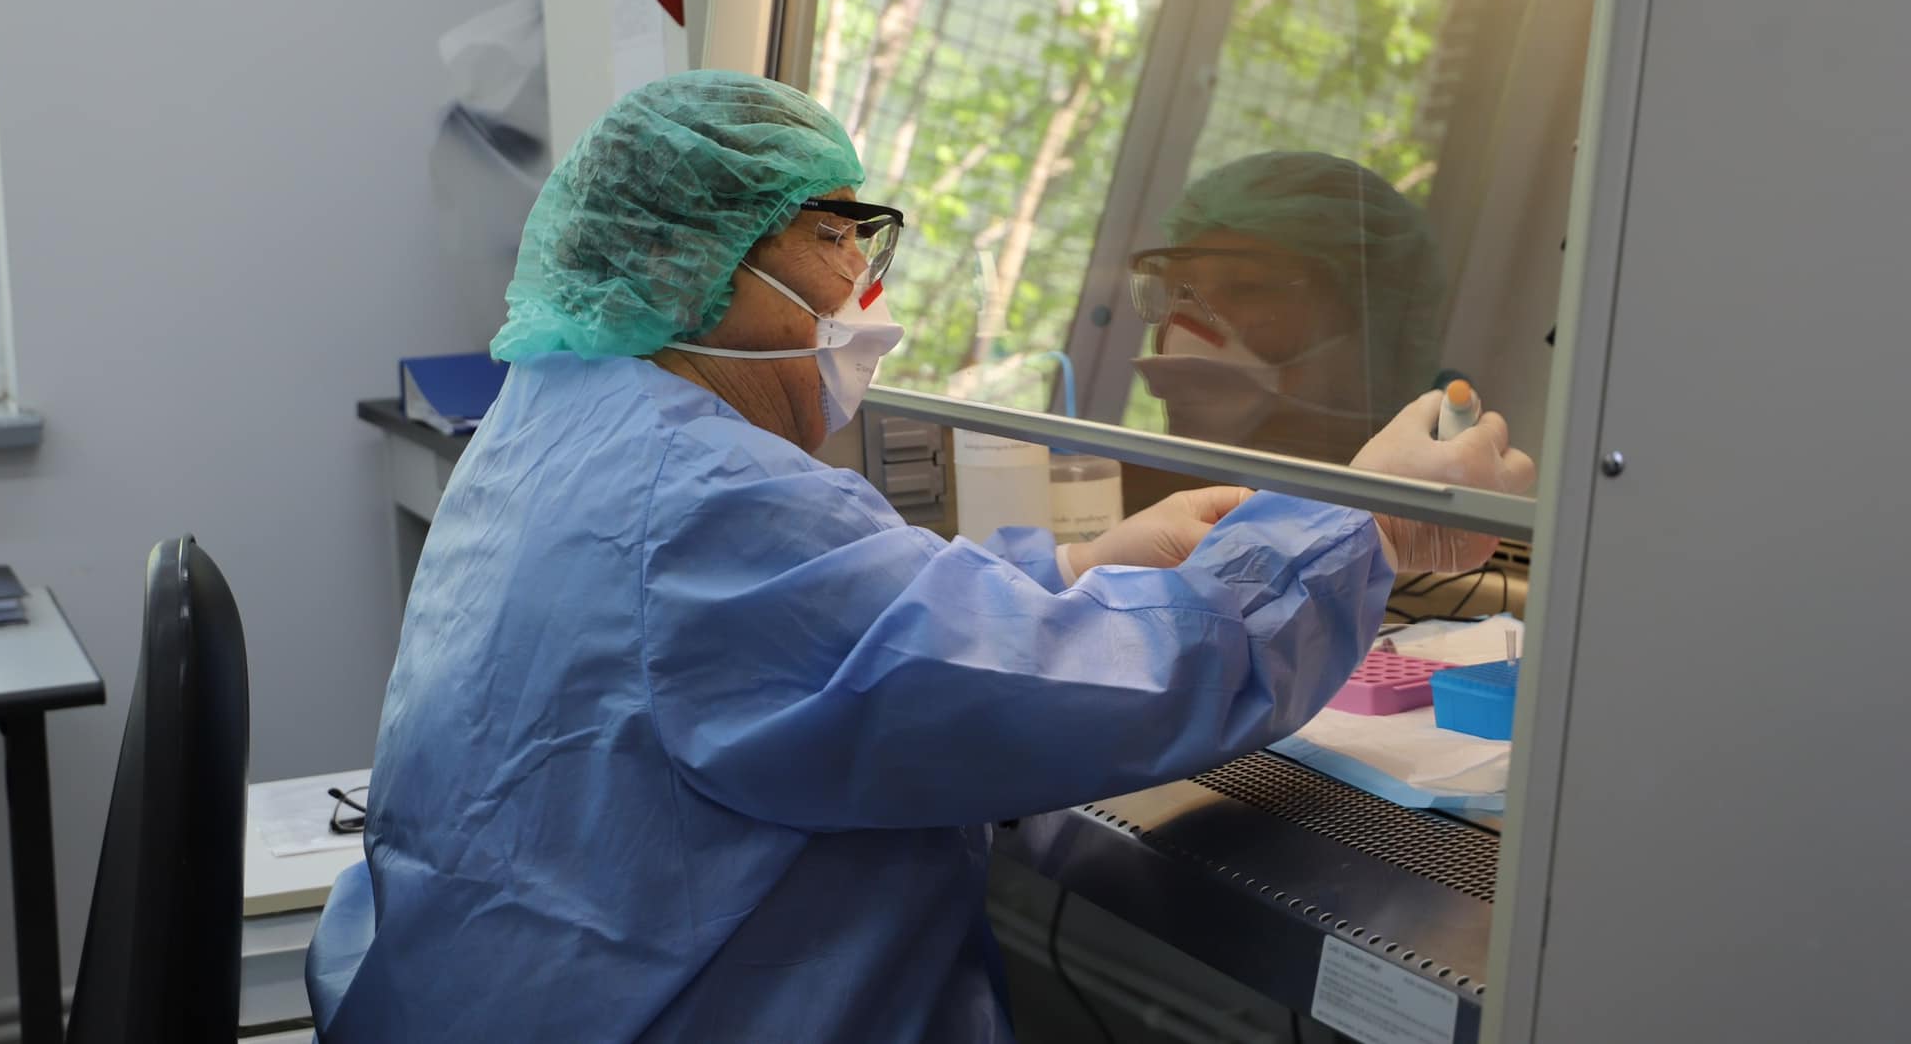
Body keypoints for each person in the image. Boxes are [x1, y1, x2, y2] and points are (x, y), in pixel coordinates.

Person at [306, 73, 1533, 1042]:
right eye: (836, 235)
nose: (866, 281)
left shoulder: (562, 422)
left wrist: (1071, 563)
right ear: (708, 266)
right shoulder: (702, 497)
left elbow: (837, 630)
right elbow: (1112, 682)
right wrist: (1362, 524)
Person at [1131, 152, 1446, 465]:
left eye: (1246, 287)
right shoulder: (1141, 484)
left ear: (1368, 321)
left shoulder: (1414, 491)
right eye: (1176, 291)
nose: (1182, 328)